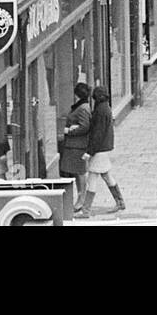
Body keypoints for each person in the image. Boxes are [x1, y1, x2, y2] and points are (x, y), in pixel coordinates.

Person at [76, 85, 125, 217]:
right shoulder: (106, 108)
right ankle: (120, 202)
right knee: (107, 176)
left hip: (99, 149)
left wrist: (89, 152)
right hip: (105, 147)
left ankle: (86, 210)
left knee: (92, 178)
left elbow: (97, 134)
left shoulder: (100, 111)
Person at [59, 82, 92, 210]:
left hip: (77, 145)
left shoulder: (82, 108)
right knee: (78, 172)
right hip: (75, 145)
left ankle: (81, 199)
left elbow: (85, 126)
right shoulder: (83, 106)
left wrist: (70, 130)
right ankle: (80, 197)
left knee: (80, 173)